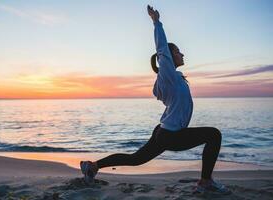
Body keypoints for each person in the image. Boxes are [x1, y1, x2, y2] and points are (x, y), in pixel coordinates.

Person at [80, 5, 230, 194]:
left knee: (135, 159)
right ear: (168, 57)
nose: (182, 54)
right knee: (214, 135)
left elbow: (170, 98)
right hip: (171, 135)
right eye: (178, 52)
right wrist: (156, 22)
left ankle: (92, 167)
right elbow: (162, 49)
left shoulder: (173, 78)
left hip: (164, 131)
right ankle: (206, 182)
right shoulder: (167, 74)